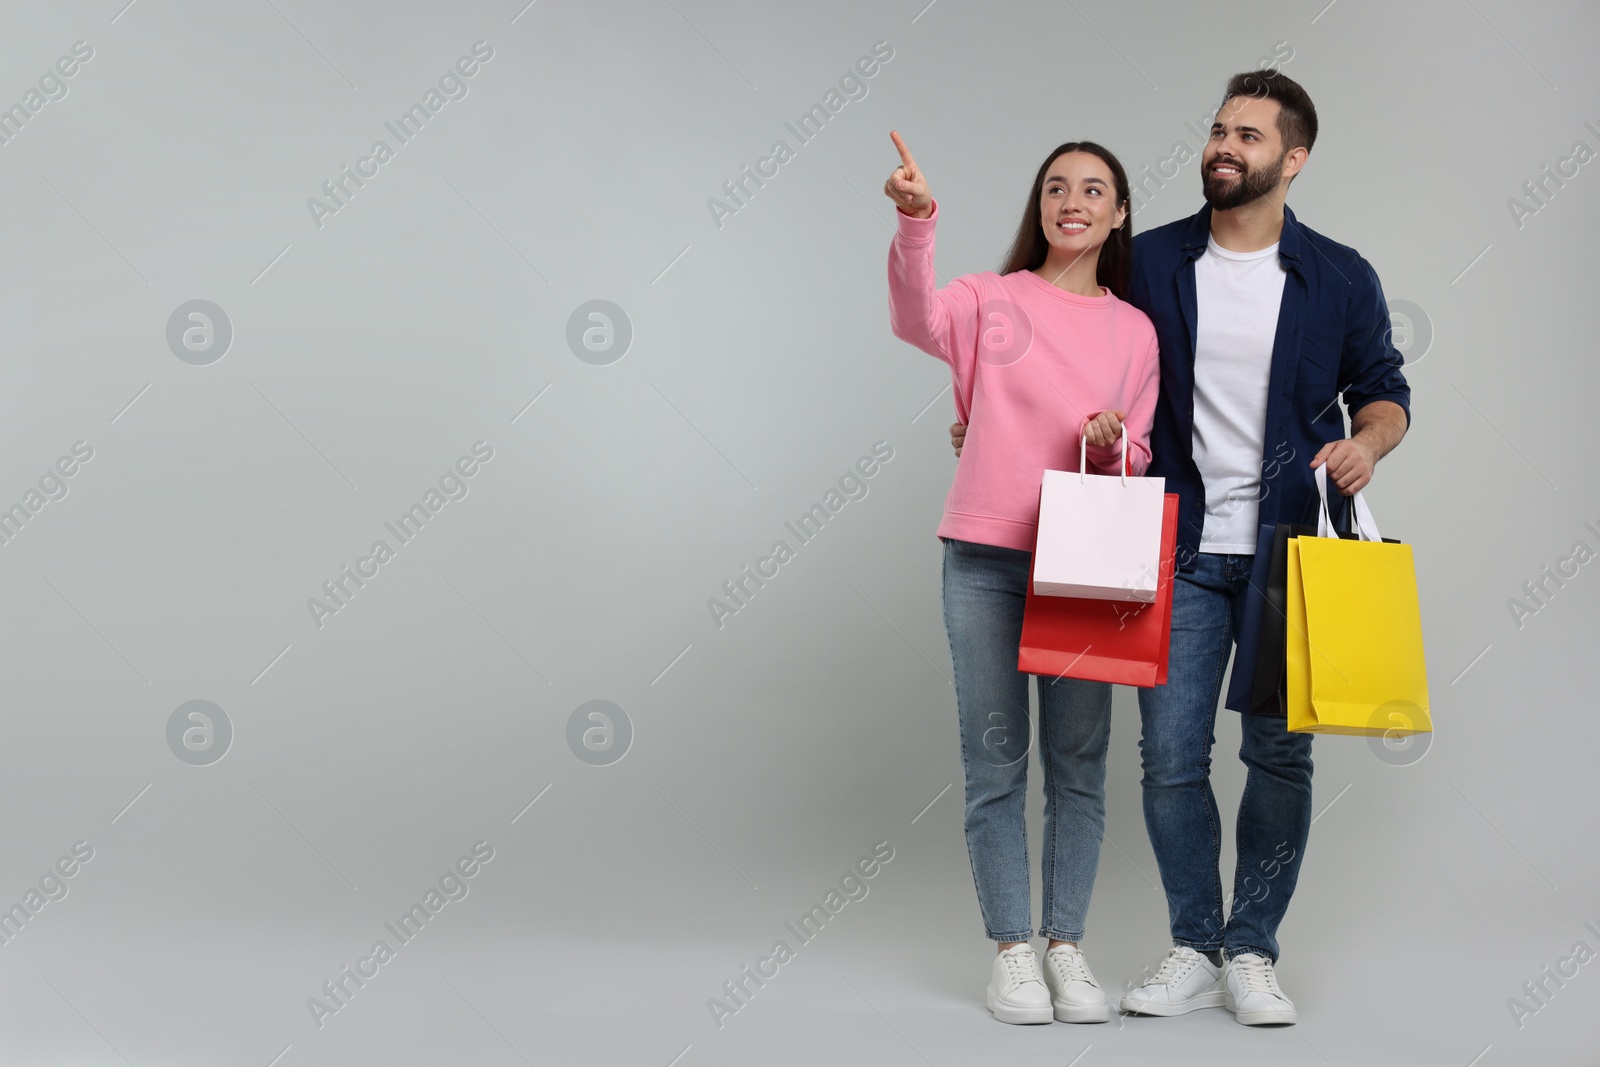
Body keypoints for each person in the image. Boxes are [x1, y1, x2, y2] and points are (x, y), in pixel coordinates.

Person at [950, 70, 1412, 1026]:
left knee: (1281, 756)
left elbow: (1385, 388)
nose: (1223, 146)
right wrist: (988, 419)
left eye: (1247, 134)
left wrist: (1365, 443)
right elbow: (1068, 339)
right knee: (1169, 757)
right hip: (1179, 546)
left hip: (1293, 551)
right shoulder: (1152, 262)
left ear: (1293, 159)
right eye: (1217, 129)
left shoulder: (1340, 274)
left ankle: (1252, 949)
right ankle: (1194, 943)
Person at [884, 130, 1160, 1025]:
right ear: (1039, 206)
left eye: (1092, 189)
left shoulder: (1134, 329)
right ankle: (1012, 950)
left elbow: (1144, 444)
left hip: (1082, 564)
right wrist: (918, 221)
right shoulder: (989, 299)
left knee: (1078, 764)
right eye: (1054, 187)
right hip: (985, 558)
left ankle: (1066, 946)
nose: (1071, 201)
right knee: (995, 763)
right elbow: (915, 316)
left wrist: (1119, 442)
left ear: (1118, 214)